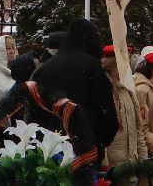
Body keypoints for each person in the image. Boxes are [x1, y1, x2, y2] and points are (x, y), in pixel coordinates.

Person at [30, 19, 119, 152]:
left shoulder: (44, 68)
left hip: (49, 151)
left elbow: (33, 111)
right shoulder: (91, 66)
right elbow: (106, 112)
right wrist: (98, 142)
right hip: (85, 150)